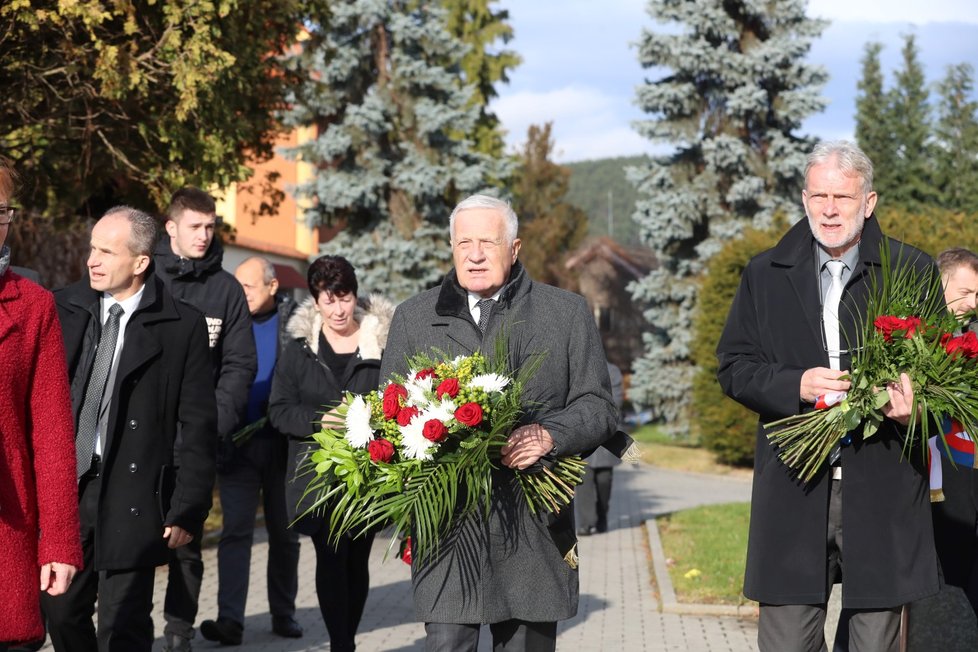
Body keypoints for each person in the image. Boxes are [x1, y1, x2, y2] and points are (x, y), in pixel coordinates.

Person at [716, 140, 940, 652]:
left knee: (875, 645)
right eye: (819, 195)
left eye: (843, 196)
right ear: (803, 198)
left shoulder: (911, 270)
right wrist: (793, 384)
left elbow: (943, 381)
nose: (830, 209)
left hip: (882, 489)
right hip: (793, 489)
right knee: (787, 644)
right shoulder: (764, 274)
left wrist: (914, 409)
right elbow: (733, 367)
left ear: (870, 201)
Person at [380, 194, 618, 651]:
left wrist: (551, 434)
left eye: (487, 242)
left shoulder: (564, 313)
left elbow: (599, 405)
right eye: (463, 242)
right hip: (450, 533)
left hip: (532, 528)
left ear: (514, 247)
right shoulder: (414, 318)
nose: (474, 254)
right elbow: (391, 414)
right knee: (448, 643)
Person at [41, 207, 217, 652]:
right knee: (59, 612)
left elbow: (197, 424)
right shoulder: (62, 307)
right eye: (91, 248)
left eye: (105, 251)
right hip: (71, 485)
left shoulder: (182, 325)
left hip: (136, 495)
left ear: (140, 262)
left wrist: (188, 508)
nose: (91, 261)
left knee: (123, 626)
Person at [268, 255, 393, 652]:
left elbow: (400, 403)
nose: (339, 309)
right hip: (316, 478)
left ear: (355, 296)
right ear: (316, 301)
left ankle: (346, 638)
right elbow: (279, 410)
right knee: (330, 556)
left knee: (357, 560)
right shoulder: (298, 351)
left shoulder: (381, 344)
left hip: (368, 474)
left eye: (345, 298)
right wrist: (320, 421)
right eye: (329, 299)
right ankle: (343, 644)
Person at [154, 187, 256, 651]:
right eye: (194, 226)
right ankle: (128, 627)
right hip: (140, 436)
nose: (204, 235)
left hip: (198, 440)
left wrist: (210, 423)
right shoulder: (145, 274)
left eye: (210, 226)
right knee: (131, 537)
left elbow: (239, 365)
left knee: (187, 541)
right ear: (171, 227)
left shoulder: (226, 289)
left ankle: (178, 631)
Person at [198, 257, 303, 645]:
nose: (240, 295)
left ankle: (284, 613)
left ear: (273, 287)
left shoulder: (295, 325)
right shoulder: (228, 322)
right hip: (237, 446)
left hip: (281, 446)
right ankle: (230, 620)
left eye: (249, 287)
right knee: (235, 532)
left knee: (284, 534)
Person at [0, 160, 82, 650]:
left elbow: (51, 437)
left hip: (7, 535)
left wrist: (59, 542)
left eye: (0, 210)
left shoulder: (33, 306)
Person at [930, 247, 978, 618]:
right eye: (965, 293)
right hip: (934, 467)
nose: (972, 303)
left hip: (966, 466)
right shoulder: (915, 334)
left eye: (977, 295)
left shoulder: (971, 334)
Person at [576, 361, 624, 536]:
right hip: (583, 435)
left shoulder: (613, 371)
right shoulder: (578, 368)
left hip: (606, 435)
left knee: (604, 481)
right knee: (583, 481)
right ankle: (586, 523)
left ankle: (602, 515)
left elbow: (616, 401)